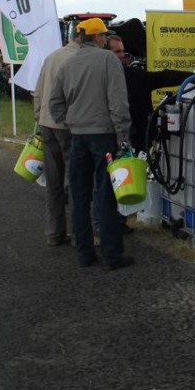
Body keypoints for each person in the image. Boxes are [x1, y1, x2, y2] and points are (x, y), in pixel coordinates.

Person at [49, 18, 133, 271]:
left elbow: (54, 103)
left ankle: (85, 254)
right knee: (105, 196)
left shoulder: (68, 64)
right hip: (104, 136)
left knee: (79, 196)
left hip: (77, 137)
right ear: (98, 38)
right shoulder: (108, 60)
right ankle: (111, 256)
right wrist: (123, 135)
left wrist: (70, 122)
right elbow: (118, 102)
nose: (105, 39)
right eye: (104, 36)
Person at [32, 25, 82, 247]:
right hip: (68, 124)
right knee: (76, 180)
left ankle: (54, 232)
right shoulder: (79, 59)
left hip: (47, 122)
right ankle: (80, 234)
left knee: (53, 182)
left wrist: (39, 115)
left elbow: (38, 91)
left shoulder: (52, 57)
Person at [106, 34, 187, 153]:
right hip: (113, 137)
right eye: (117, 51)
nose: (122, 55)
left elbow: (160, 78)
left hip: (135, 136)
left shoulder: (134, 75)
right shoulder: (105, 75)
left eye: (123, 51)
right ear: (106, 53)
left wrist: (191, 76)